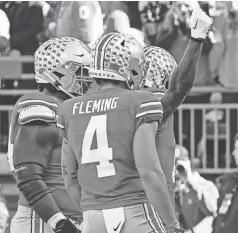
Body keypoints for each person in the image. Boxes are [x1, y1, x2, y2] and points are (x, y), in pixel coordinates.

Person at [58, 32, 183, 233]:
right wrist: (172, 225)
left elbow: (69, 177)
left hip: (92, 215)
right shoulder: (141, 102)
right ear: (130, 68)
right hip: (134, 211)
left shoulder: (69, 108)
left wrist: (93, 207)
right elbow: (149, 171)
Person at [8, 37, 92, 233]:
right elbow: (27, 176)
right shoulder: (41, 104)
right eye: (80, 71)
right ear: (59, 73)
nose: (87, 79)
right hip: (43, 221)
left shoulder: (67, 109)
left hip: (67, 219)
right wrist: (60, 224)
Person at [136, 6, 213, 209]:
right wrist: (195, 38)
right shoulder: (154, 105)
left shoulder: (121, 102)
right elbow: (180, 86)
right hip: (151, 201)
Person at [174, 145, 219, 233]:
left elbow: (211, 211)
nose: (175, 171)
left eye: (177, 166)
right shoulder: (170, 190)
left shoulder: (206, 185)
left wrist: (189, 183)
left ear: (188, 163)